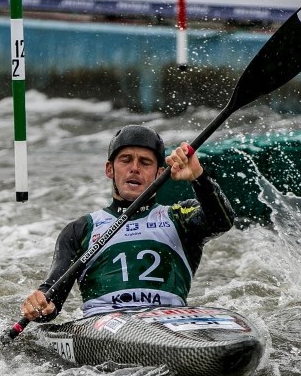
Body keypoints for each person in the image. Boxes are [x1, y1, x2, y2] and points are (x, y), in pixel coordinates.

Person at [20, 124, 235, 322]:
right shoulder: (81, 229)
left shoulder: (179, 218)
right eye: (125, 160)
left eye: (145, 162)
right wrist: (40, 306)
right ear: (110, 170)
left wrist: (198, 176)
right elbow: (51, 301)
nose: (134, 168)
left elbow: (222, 220)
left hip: (169, 323)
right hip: (103, 325)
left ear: (160, 173)